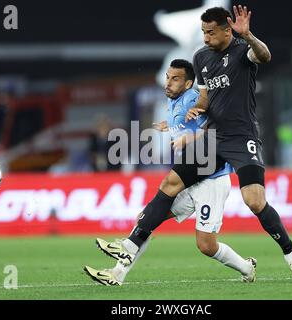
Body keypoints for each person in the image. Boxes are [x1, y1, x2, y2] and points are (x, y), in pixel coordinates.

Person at [90, 5, 292, 285]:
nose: (205, 38)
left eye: (211, 32)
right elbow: (206, 99)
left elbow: (265, 56)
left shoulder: (243, 50)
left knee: (254, 201)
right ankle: (125, 254)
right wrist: (197, 111)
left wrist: (249, 35)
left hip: (242, 137)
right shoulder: (201, 57)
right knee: (169, 184)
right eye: (203, 32)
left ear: (227, 30)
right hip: (213, 139)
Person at [84, 59, 256, 286]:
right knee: (146, 221)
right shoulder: (173, 99)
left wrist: (191, 137)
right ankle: (117, 274)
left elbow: (219, 130)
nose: (168, 83)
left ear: (187, 84)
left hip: (211, 179)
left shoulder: (195, 98)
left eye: (175, 79)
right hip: (190, 178)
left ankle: (246, 267)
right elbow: (188, 124)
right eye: (167, 77)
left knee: (206, 245)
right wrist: (171, 126)